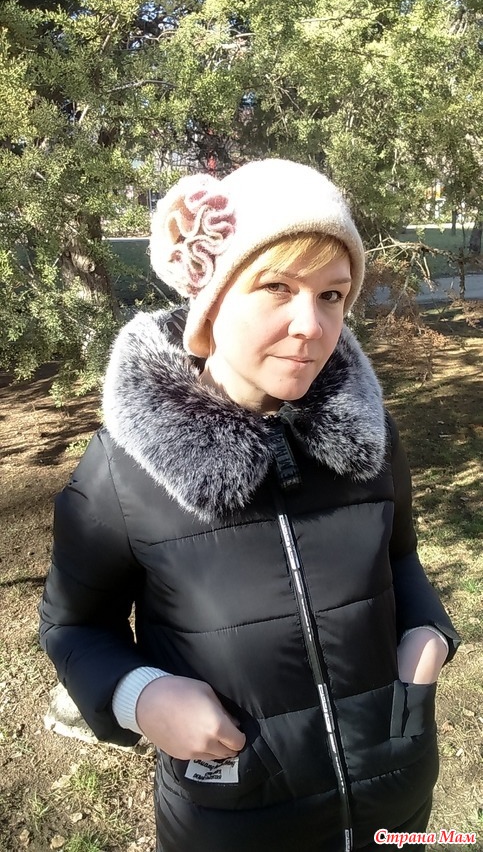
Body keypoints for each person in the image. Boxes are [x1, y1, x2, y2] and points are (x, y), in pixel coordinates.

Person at [39, 159, 460, 852]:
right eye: (277, 287)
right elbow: (73, 625)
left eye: (332, 295)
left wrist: (427, 633)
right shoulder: (124, 469)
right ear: (212, 301)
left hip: (397, 803)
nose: (310, 325)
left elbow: (400, 555)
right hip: (235, 821)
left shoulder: (371, 437)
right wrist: (139, 696)